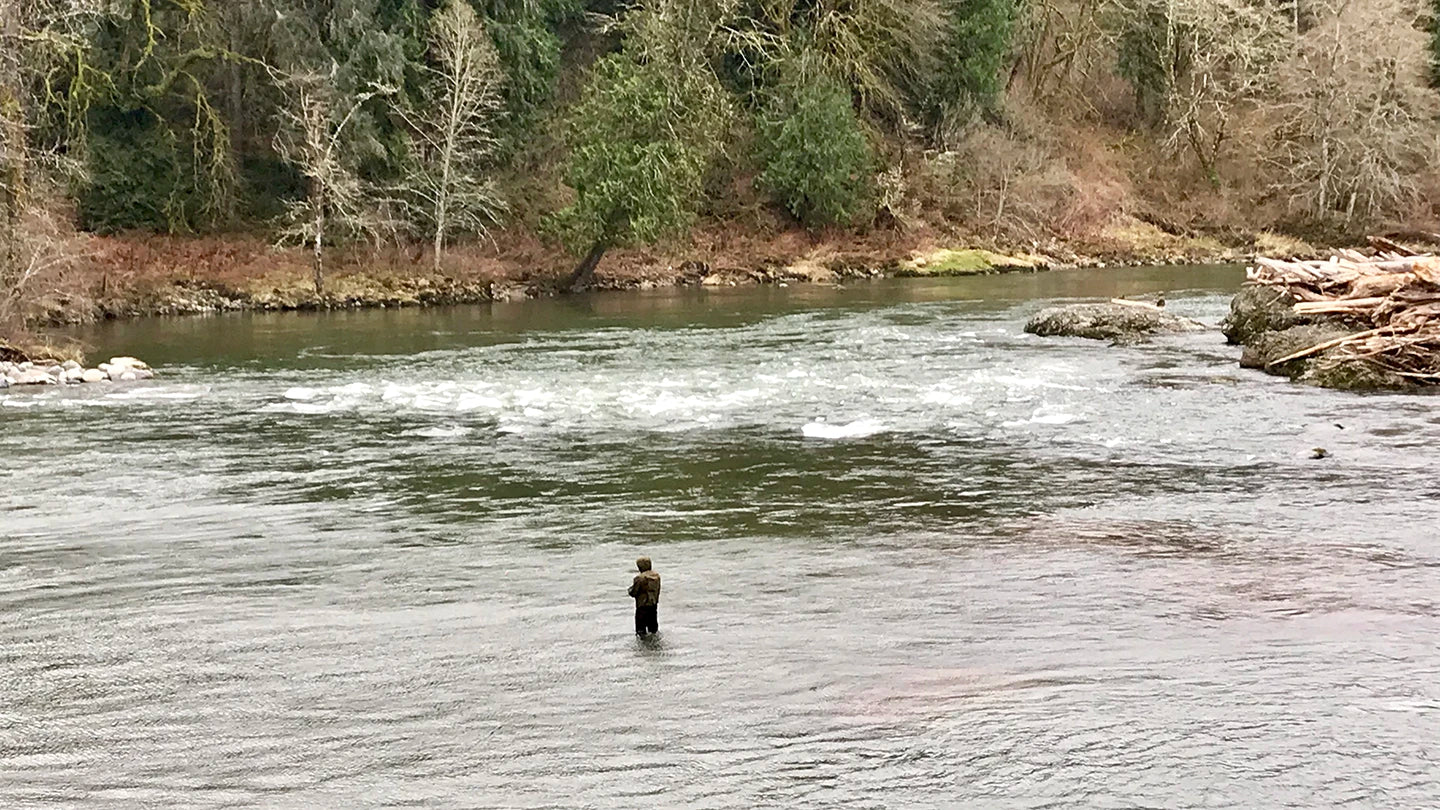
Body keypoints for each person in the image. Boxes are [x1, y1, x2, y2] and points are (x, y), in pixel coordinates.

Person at [627, 556, 661, 636]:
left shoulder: (639, 578)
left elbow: (634, 592)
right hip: (653, 605)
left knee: (640, 631)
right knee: (653, 629)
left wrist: (629, 590)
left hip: (642, 606)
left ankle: (642, 647)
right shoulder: (656, 576)